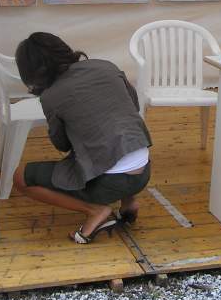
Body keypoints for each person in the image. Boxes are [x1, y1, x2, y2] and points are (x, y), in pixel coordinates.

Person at [12, 33, 152, 244]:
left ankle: (95, 211)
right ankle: (129, 202)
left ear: (31, 72)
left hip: (111, 181)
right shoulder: (105, 66)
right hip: (143, 170)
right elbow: (133, 105)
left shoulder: (51, 96)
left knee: (21, 177)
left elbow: (62, 144)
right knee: (117, 140)